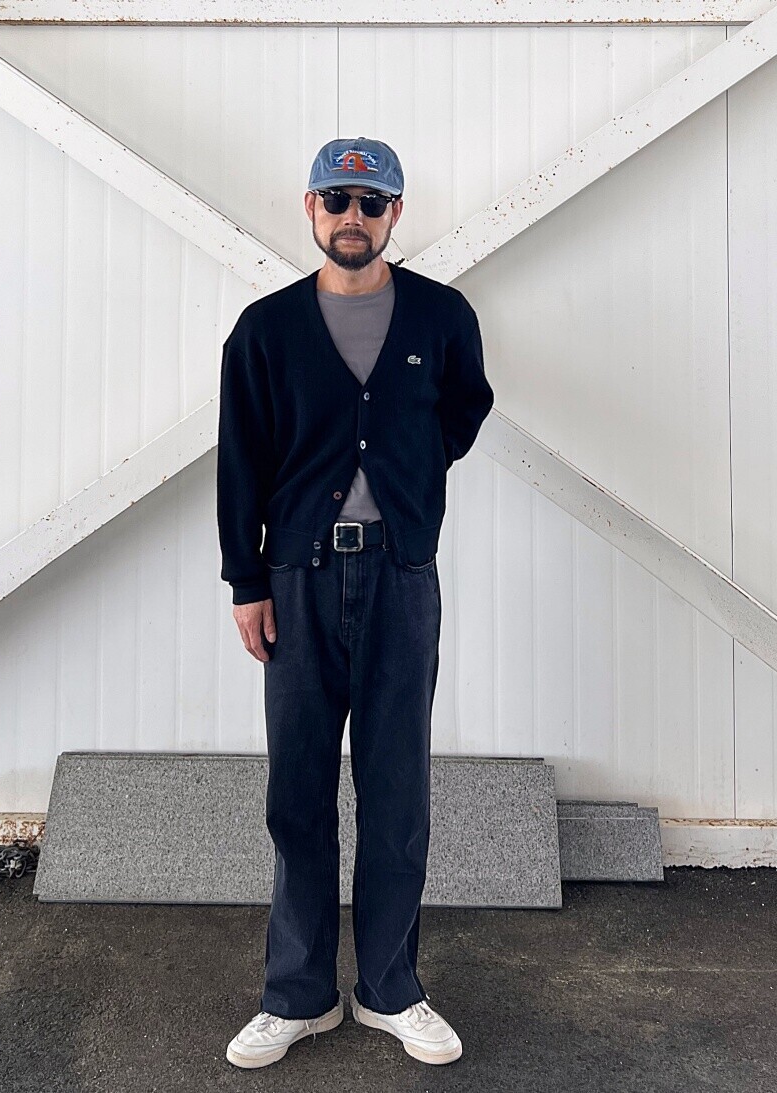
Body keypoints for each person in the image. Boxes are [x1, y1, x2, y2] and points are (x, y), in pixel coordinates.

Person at [218, 136, 494, 1068]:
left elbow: (462, 411)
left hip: (402, 577)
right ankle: (297, 995)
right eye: (336, 198)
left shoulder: (442, 317)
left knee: (396, 787)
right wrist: (247, 580)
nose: (352, 216)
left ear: (395, 214)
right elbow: (241, 460)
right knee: (297, 790)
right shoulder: (265, 331)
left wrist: (407, 477)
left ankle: (390, 989)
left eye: (371, 203)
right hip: (297, 581)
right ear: (310, 207)